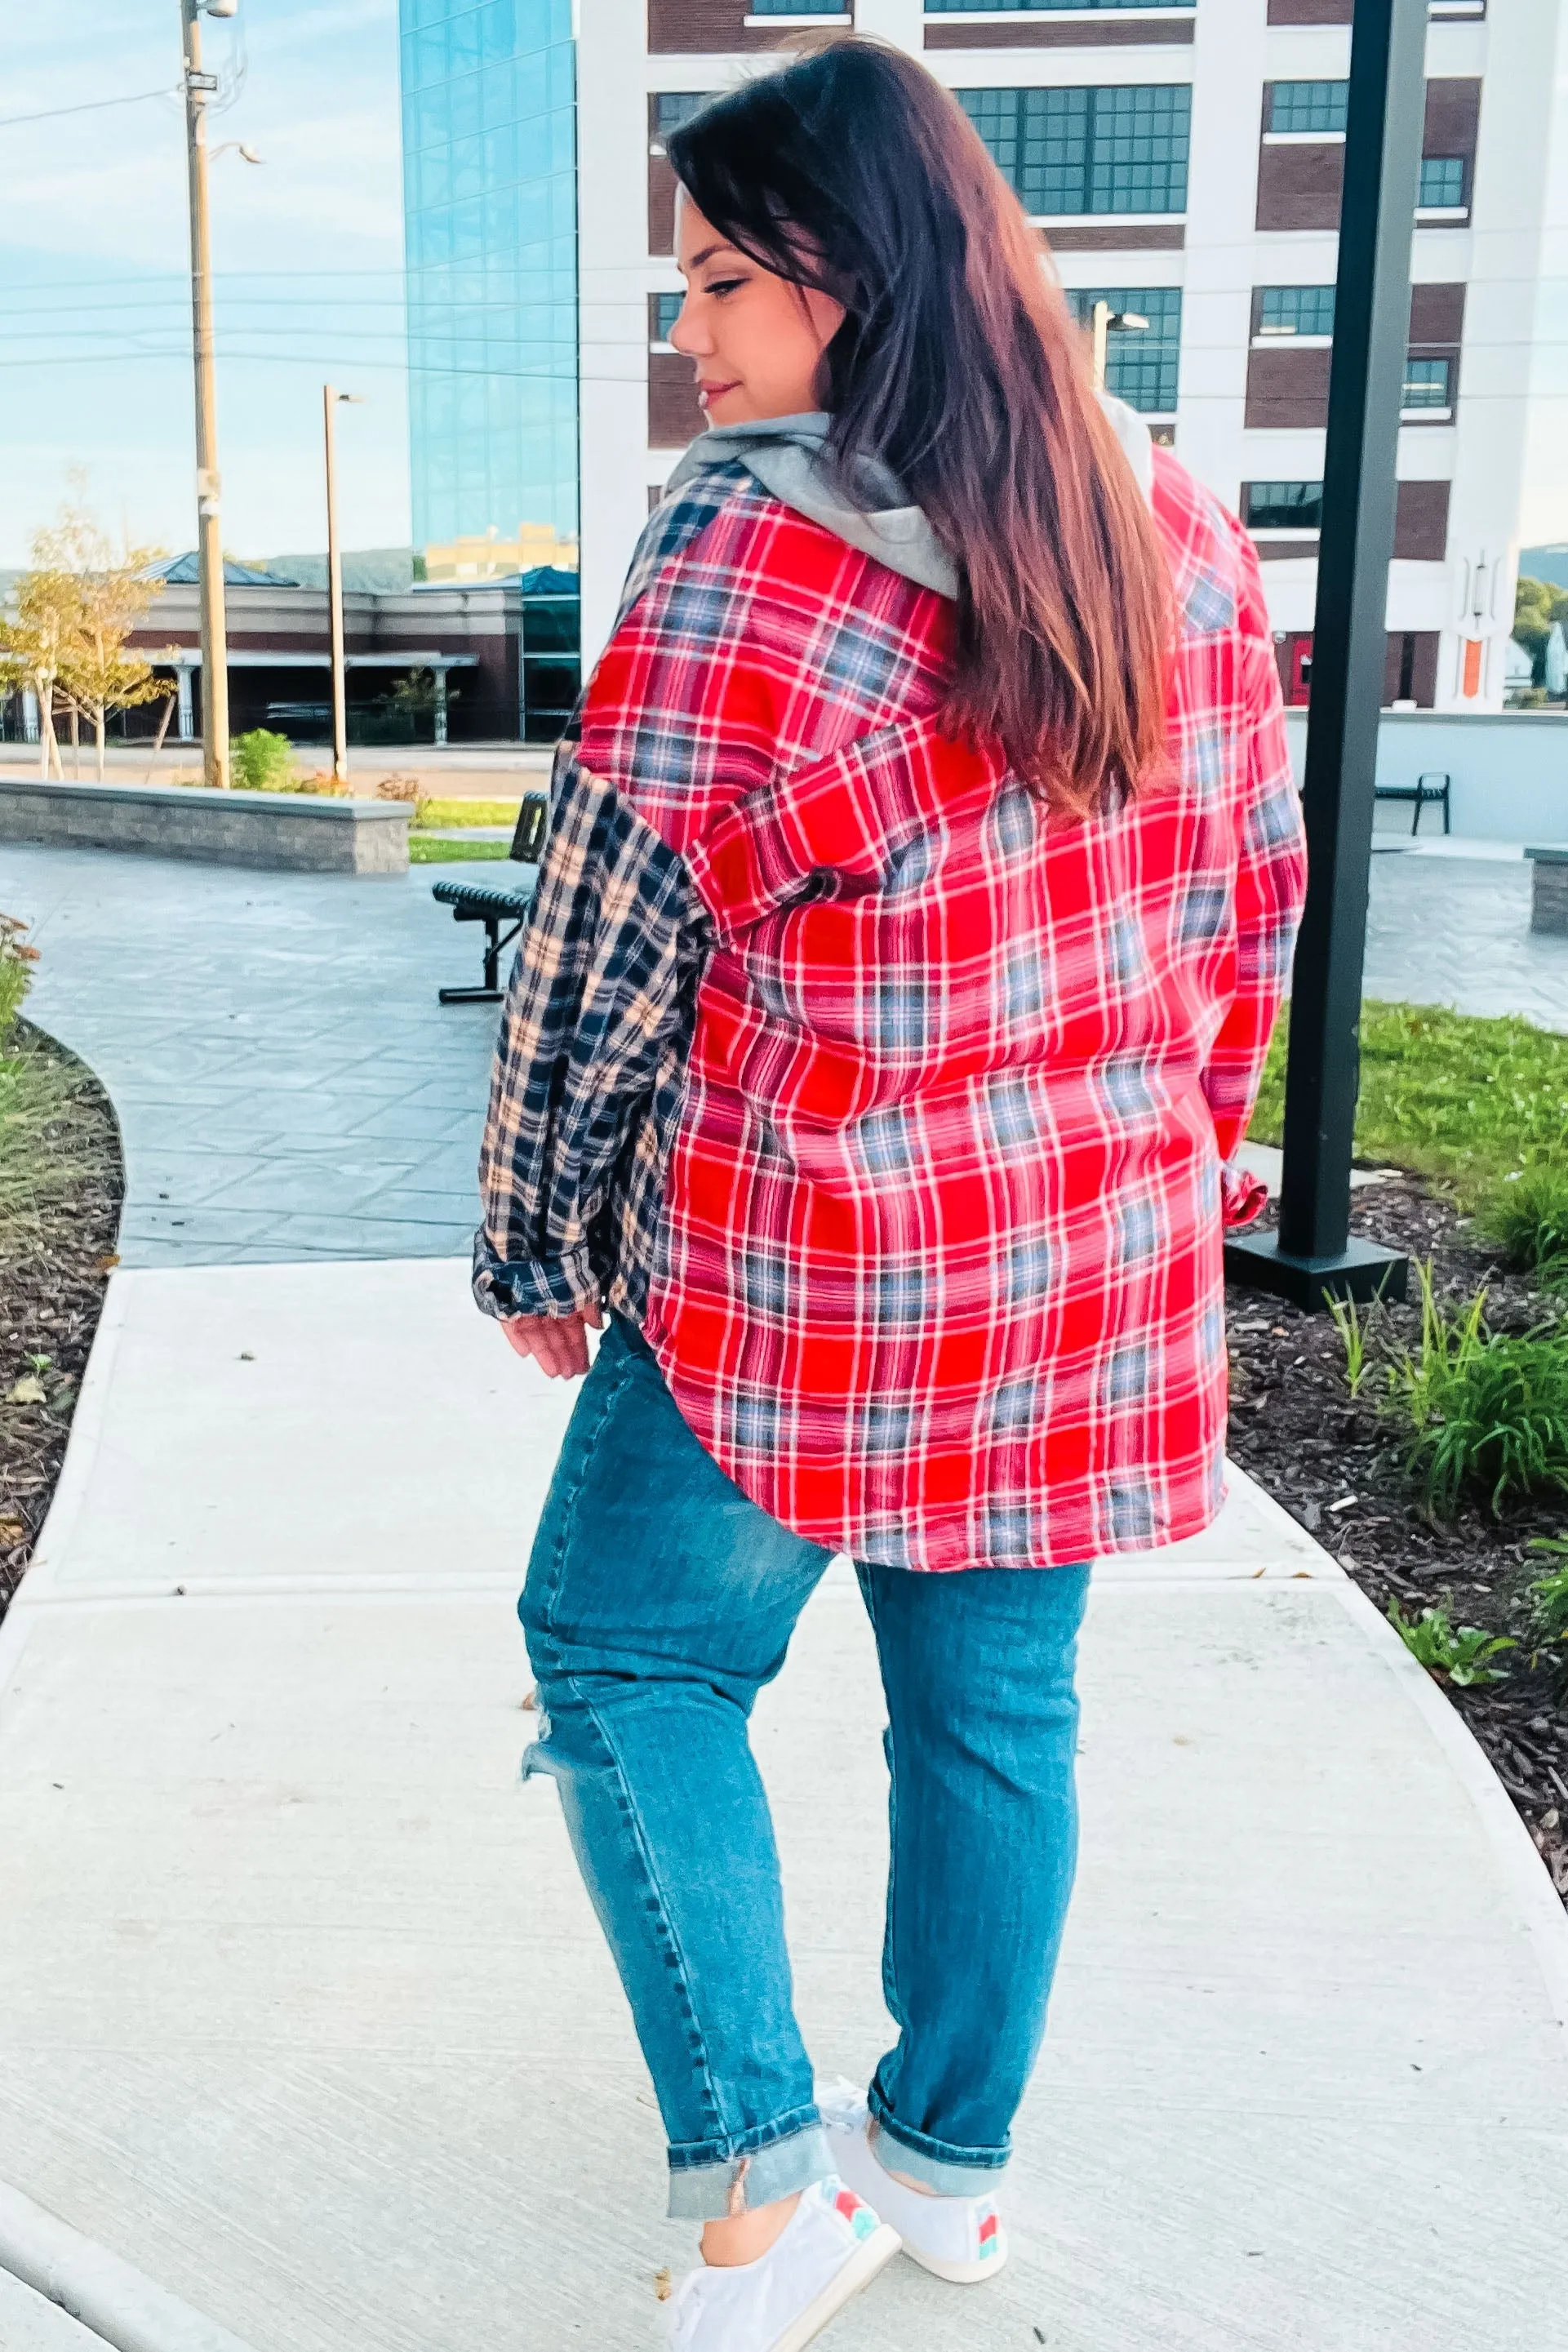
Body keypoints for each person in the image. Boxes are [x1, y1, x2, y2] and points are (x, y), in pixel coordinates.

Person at [473, 36, 1307, 2352]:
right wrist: (1188, 1150)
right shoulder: (1180, 522)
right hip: (1081, 1262)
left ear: (848, 273)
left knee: (628, 1654)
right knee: (993, 1715)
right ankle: (944, 2168)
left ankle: (760, 2183)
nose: (694, 338)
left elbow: (609, 935)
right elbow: (1255, 891)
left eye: (721, 283)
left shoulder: (755, 547)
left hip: (809, 1258)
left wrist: (542, 1235)